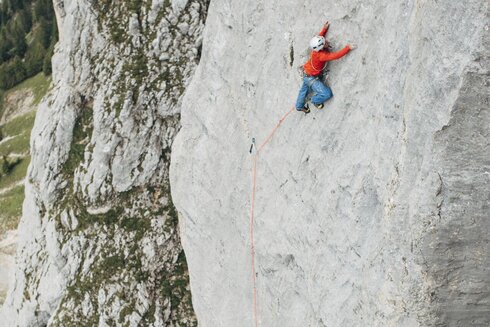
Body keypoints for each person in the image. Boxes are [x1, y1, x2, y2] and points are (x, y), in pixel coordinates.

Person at [295, 21, 356, 113]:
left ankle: (299, 106)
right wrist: (348, 47)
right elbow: (336, 56)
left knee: (304, 90)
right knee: (327, 93)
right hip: (311, 77)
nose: (327, 41)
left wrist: (324, 29)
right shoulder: (322, 56)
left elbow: (319, 39)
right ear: (322, 48)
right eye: (325, 43)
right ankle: (315, 100)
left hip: (307, 73)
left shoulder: (316, 48)